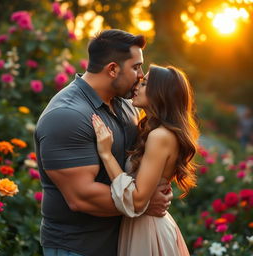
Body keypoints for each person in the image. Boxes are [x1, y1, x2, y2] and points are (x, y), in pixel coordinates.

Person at [34, 29, 173, 256]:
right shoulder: (67, 115)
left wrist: (153, 186)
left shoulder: (126, 105)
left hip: (123, 241)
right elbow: (82, 197)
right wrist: (144, 202)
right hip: (78, 247)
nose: (141, 75)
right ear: (112, 69)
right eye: (136, 67)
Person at [92, 64, 199, 256]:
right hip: (142, 226)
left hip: (149, 231)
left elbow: (137, 200)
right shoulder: (154, 132)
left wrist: (106, 154)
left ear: (160, 93)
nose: (136, 86)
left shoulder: (160, 136)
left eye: (145, 83)